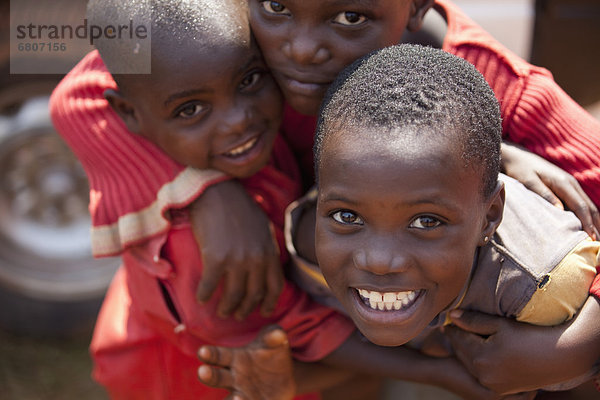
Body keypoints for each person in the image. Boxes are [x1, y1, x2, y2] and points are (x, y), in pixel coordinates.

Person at [50, 0, 600, 394]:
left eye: (350, 17)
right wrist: (201, 188)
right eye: (276, 6)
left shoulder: (503, 88)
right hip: (212, 343)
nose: (305, 48)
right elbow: (78, 94)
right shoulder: (246, 54)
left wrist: (585, 343)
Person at [198, 44, 600, 399]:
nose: (379, 260)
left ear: (489, 217)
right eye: (348, 216)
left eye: (426, 222)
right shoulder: (307, 240)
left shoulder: (545, 285)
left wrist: (585, 348)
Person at [71, 0, 363, 398]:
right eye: (191, 109)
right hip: (178, 379)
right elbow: (290, 328)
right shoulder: (198, 247)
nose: (237, 119)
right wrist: (436, 365)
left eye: (248, 81)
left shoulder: (245, 139)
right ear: (129, 114)